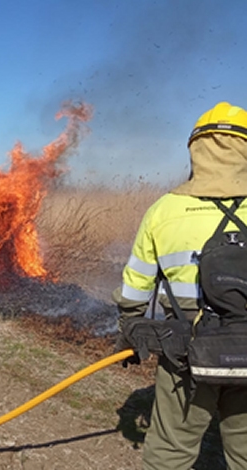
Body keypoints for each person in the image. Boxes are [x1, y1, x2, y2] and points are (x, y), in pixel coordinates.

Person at [114, 101, 247, 469]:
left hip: (187, 354)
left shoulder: (165, 210)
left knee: (171, 452)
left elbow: (135, 288)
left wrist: (129, 329)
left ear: (196, 151)